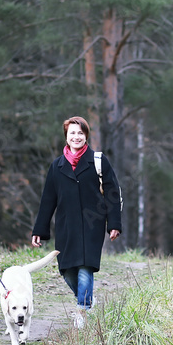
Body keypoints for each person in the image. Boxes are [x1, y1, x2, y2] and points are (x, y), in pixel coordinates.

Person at [31, 116, 122, 328]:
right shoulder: (57, 166)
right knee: (67, 270)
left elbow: (112, 193)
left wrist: (114, 224)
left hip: (93, 225)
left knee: (85, 267)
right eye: (72, 133)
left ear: (86, 135)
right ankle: (88, 301)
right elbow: (48, 200)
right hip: (66, 227)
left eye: (80, 133)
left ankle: (83, 312)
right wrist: (39, 229)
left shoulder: (98, 161)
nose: (76, 137)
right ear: (66, 136)